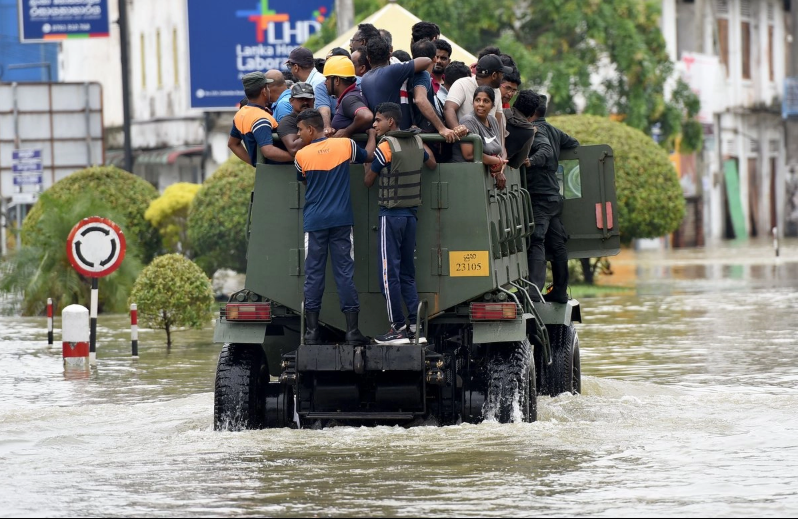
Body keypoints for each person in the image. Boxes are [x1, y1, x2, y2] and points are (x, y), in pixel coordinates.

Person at [294, 108, 376, 345]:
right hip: (341, 221)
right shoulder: (345, 146)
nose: (299, 135)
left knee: (313, 276)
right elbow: (368, 156)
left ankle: (311, 333)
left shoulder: (301, 156)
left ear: (311, 129)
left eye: (300, 130)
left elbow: (304, 180)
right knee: (344, 275)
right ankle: (352, 332)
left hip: (314, 222)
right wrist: (371, 136)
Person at [364, 102, 437, 344]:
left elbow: (368, 180)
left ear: (390, 122)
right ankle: (416, 328)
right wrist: (420, 138)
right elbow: (432, 163)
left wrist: (371, 140)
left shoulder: (386, 146)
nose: (374, 124)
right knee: (407, 273)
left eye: (378, 120)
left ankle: (396, 328)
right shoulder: (416, 142)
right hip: (411, 217)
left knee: (389, 275)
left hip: (391, 216)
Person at [524, 91, 579, 303]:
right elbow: (573, 143)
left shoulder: (536, 132)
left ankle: (534, 293)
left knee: (536, 239)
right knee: (557, 244)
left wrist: (531, 161)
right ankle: (560, 291)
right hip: (554, 198)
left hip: (540, 198)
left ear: (530, 113)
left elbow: (545, 150)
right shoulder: (554, 131)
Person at [360, 36, 431, 127]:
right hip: (397, 135)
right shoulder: (393, 71)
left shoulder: (365, 78)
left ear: (368, 58)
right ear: (390, 56)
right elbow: (427, 61)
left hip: (380, 133)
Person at [228, 71, 293, 166]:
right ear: (264, 91)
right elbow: (268, 151)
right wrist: (295, 158)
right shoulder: (261, 118)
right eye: (267, 87)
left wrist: (254, 162)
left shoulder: (240, 114)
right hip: (280, 173)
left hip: (266, 173)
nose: (269, 90)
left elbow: (232, 144)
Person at [451, 86, 507, 190]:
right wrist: (497, 161)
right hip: (464, 176)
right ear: (473, 103)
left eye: (486, 101)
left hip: (482, 178)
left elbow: (497, 150)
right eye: (477, 100)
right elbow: (469, 154)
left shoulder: (493, 120)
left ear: (492, 105)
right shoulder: (469, 120)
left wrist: (499, 170)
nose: (481, 104)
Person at [407, 39, 457, 143]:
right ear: (434, 58)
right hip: (420, 137)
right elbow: (420, 100)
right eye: (437, 57)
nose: (439, 61)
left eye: (443, 58)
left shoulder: (406, 74)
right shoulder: (423, 75)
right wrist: (442, 128)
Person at [443, 54, 510, 130]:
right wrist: (459, 132)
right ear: (494, 75)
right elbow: (448, 109)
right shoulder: (462, 84)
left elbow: (497, 124)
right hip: (463, 139)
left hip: (487, 140)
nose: (502, 77)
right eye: (501, 74)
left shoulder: (496, 91)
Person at [285, 47, 334, 136]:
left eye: (289, 66)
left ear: (296, 67)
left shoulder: (319, 82)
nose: (290, 70)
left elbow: (322, 112)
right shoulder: (310, 81)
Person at [324, 56, 374, 137]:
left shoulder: (349, 99)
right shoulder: (352, 94)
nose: (325, 83)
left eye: (327, 79)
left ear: (337, 80)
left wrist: (347, 132)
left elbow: (366, 116)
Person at [276, 82, 315, 157]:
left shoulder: (319, 117)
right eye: (301, 99)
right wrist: (315, 132)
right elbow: (294, 149)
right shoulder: (287, 121)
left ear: (313, 100)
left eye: (308, 99)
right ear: (291, 101)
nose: (305, 102)